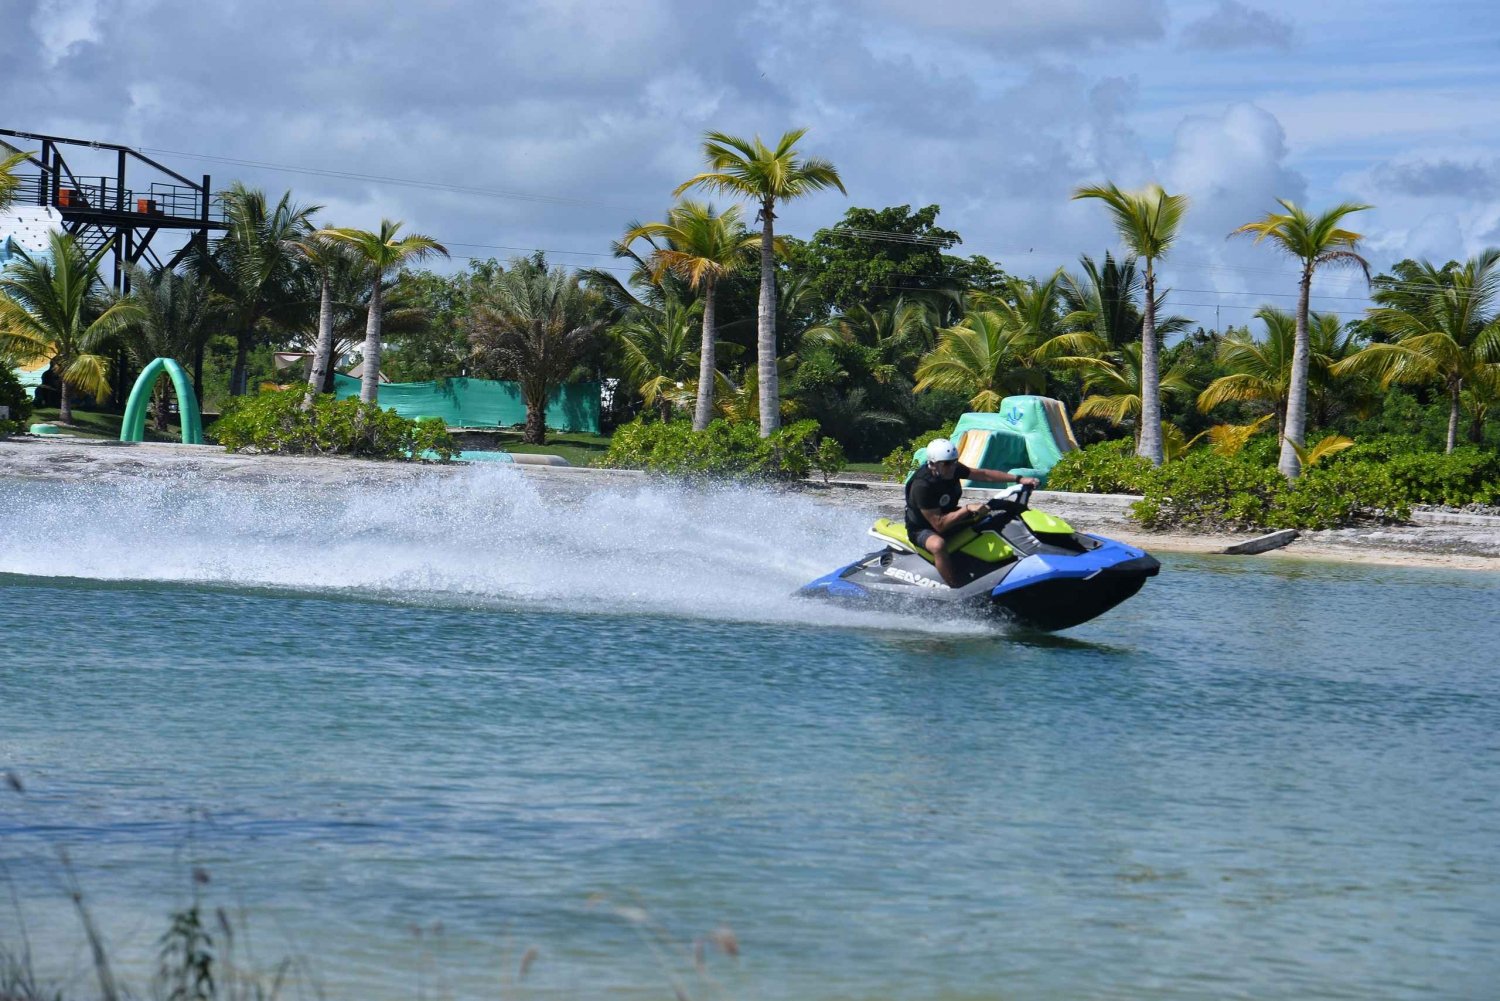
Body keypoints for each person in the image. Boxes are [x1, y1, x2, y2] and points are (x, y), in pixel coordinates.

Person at [905, 437, 1039, 587]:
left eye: (955, 461)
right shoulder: (922, 486)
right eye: (947, 464)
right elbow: (939, 525)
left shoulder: (952, 468)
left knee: (991, 518)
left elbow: (983, 474)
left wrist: (1019, 479)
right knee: (938, 545)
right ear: (933, 464)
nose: (952, 467)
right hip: (923, 528)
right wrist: (967, 509)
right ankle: (954, 587)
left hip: (949, 515)